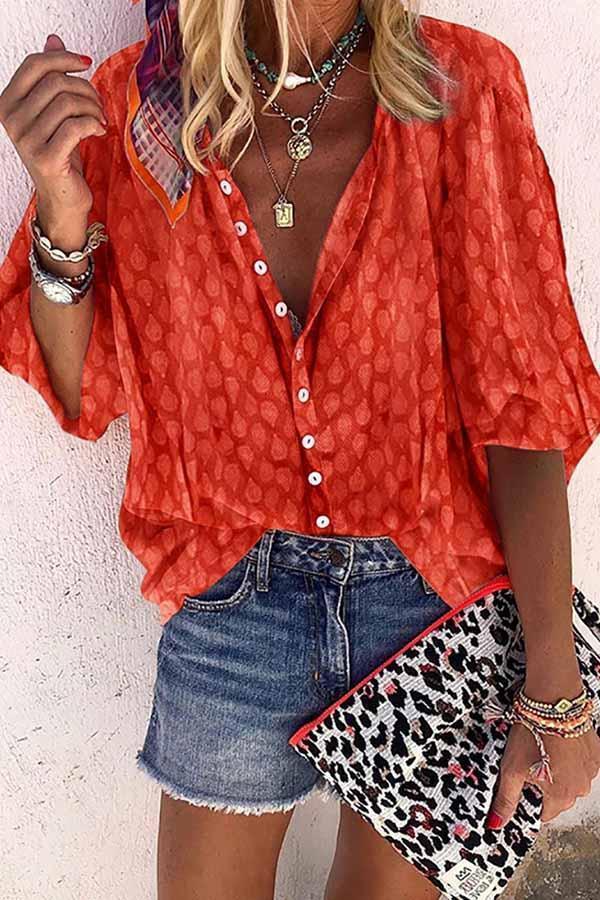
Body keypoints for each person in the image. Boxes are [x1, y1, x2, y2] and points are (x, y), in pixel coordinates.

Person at [1, 1, 600, 898]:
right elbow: (83, 391)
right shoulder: (141, 110)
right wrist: (60, 200)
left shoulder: (460, 89)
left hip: (429, 597)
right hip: (233, 609)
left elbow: (522, 404)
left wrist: (557, 690)